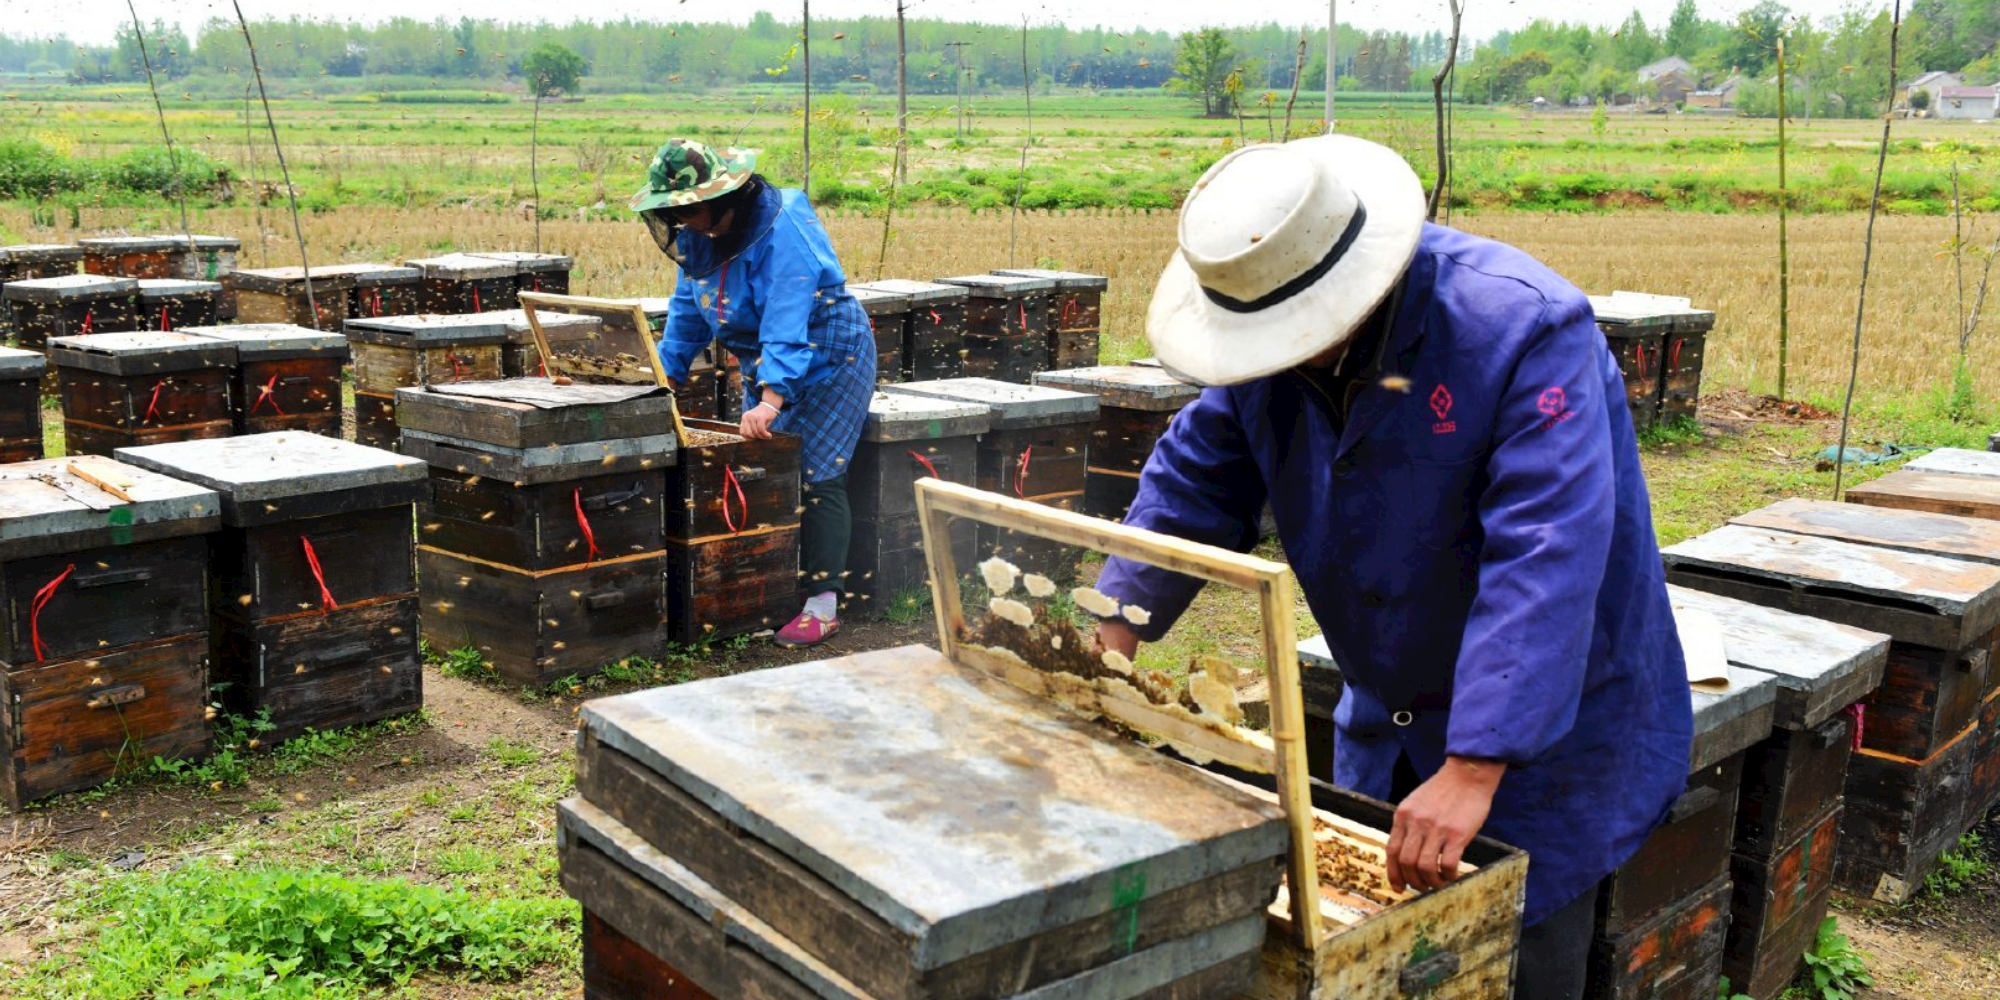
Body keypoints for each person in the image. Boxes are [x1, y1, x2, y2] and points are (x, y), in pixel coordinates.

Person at [1091, 134, 1693, 1000]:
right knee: (1385, 962)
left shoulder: (1525, 333)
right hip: (1391, 699)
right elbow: (1191, 485)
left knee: (1518, 958)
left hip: (1547, 735)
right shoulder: (1265, 350)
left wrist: (1479, 763)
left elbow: (1544, 556)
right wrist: (1107, 640)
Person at [632, 138, 875, 647]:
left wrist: (771, 398)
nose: (684, 223)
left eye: (690, 210)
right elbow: (686, 305)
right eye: (673, 213)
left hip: (829, 349)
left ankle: (823, 603)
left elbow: (789, 314)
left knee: (817, 471)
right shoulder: (699, 235)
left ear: (725, 197)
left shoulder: (782, 226)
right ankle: (778, 584)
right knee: (765, 467)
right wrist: (667, 373)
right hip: (764, 358)